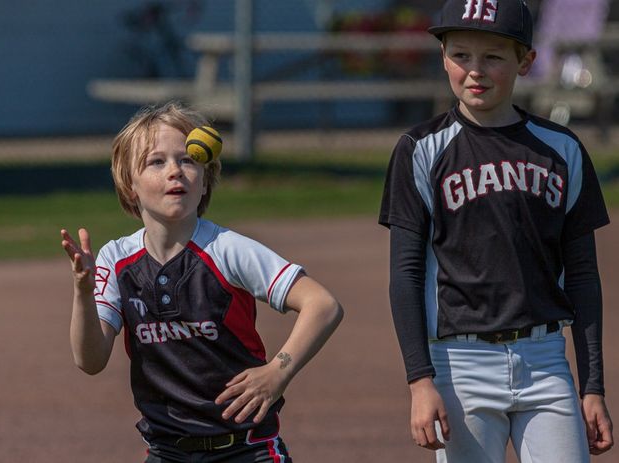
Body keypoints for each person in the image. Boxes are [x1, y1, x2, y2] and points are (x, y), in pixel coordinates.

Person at [379, 1, 614, 461]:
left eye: (493, 57)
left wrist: (593, 387)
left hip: (546, 362)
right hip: (458, 366)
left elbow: (584, 275)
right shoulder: (420, 150)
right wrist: (419, 380)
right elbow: (406, 274)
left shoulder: (561, 149)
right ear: (443, 56)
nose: (475, 71)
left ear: (526, 61)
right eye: (461, 55)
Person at [61, 102, 343, 462]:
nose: (175, 171)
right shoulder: (116, 259)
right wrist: (83, 293)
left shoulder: (227, 249)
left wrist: (277, 372)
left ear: (205, 178)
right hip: (166, 451)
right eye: (156, 162)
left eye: (189, 160)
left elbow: (323, 305)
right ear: (130, 184)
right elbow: (90, 359)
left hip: (246, 449)